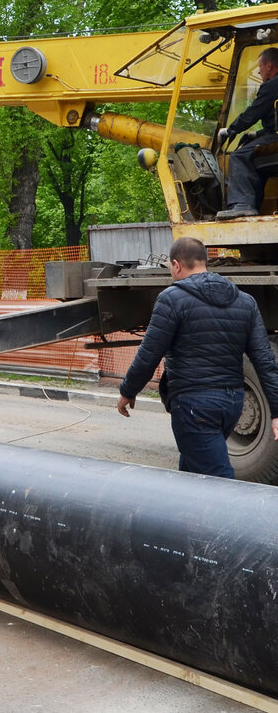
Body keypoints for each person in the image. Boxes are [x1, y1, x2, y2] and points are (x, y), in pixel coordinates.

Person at [117, 237, 278, 477]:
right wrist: (276, 411)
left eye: (171, 269)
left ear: (176, 265)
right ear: (204, 261)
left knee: (218, 479)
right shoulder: (245, 301)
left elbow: (149, 354)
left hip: (194, 405)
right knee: (193, 469)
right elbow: (265, 362)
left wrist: (128, 391)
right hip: (232, 403)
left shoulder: (171, 299)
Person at [216, 47, 278, 219]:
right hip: (274, 134)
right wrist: (256, 135)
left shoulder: (272, 85)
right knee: (258, 164)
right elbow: (274, 121)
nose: (258, 71)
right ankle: (253, 205)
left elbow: (252, 113)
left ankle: (243, 205)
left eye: (260, 66)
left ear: (270, 66)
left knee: (239, 156)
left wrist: (230, 129)